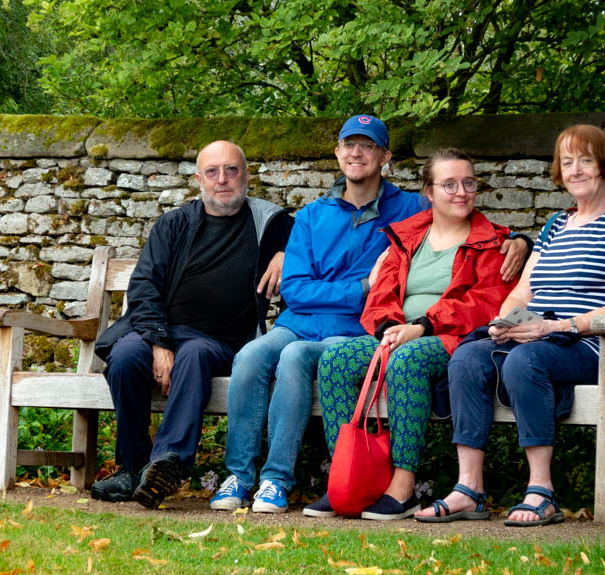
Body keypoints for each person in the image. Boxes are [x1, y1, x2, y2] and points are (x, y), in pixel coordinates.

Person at [210, 116, 529, 514]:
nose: (357, 153)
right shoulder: (313, 215)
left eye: (368, 146)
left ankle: (279, 479)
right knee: (251, 356)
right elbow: (295, 288)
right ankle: (252, 476)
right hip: (309, 323)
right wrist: (361, 292)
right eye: (349, 145)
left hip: (358, 329)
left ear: (385, 157)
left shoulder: (408, 209)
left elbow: (466, 221)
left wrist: (520, 240)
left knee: (301, 357)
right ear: (337, 153)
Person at [415, 124, 605, 527]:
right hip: (537, 336)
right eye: (567, 161)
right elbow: (522, 292)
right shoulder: (554, 227)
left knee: (524, 362)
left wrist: (557, 327)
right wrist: (504, 321)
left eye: (586, 160)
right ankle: (468, 488)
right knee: (468, 357)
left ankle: (541, 491)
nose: (575, 170)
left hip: (592, 344)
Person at [306, 148, 519, 520]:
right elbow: (380, 293)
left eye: (468, 183)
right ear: (429, 192)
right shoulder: (407, 236)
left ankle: (402, 487)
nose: (461, 192)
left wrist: (422, 327)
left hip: (454, 338)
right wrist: (390, 328)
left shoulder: (493, 243)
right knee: (336, 360)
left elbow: (485, 303)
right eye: (449, 184)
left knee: (408, 360)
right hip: (398, 333)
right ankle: (349, 480)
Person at [90, 140, 294, 509]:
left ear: (246, 176)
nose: (222, 180)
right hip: (161, 331)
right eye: (212, 172)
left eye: (231, 170)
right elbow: (144, 285)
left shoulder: (271, 222)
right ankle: (132, 468)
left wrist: (285, 252)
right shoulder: (174, 224)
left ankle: (169, 462)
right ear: (199, 180)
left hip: (220, 340)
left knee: (195, 355)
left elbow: (312, 239)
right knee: (123, 356)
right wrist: (159, 341)